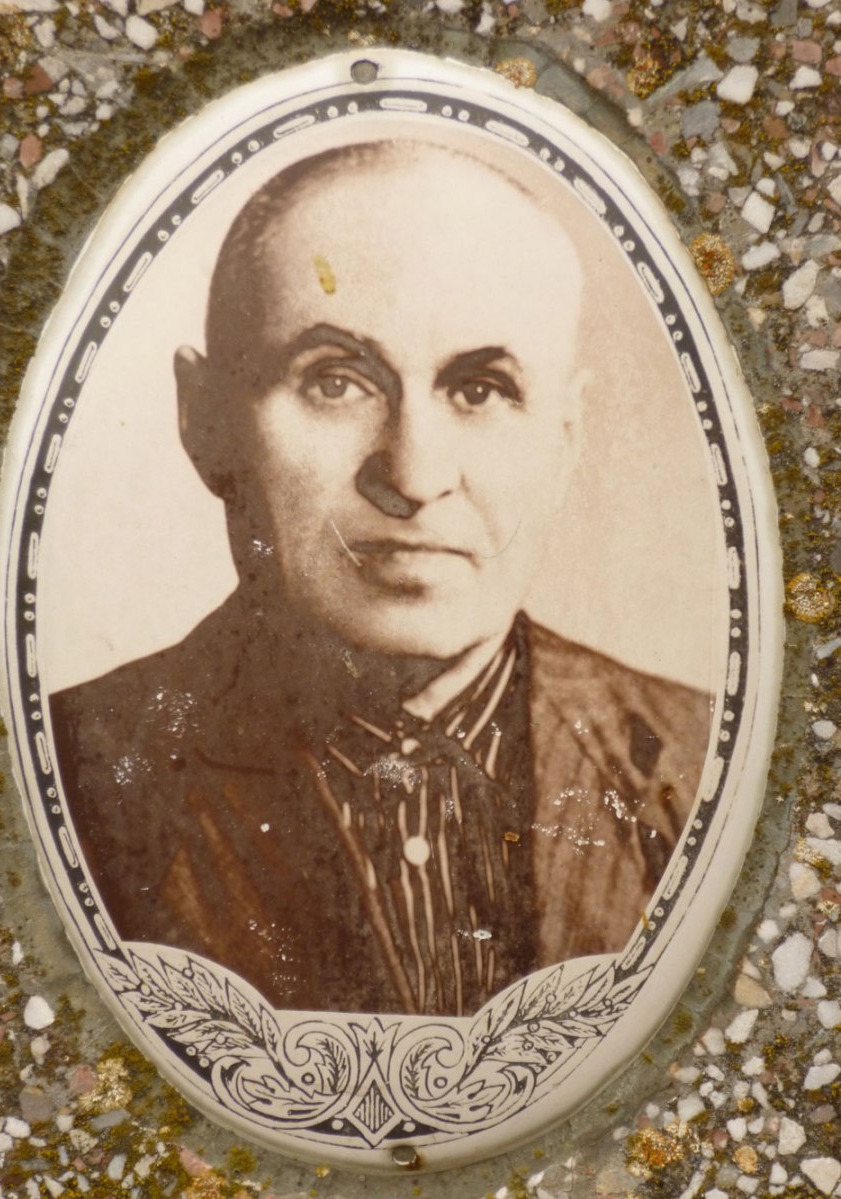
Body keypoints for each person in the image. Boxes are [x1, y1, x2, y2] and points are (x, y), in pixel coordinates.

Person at [49, 139, 711, 1018]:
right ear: (204, 421)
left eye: (480, 389)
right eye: (336, 381)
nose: (413, 473)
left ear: (565, 439)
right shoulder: (75, 771)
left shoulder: (703, 758)